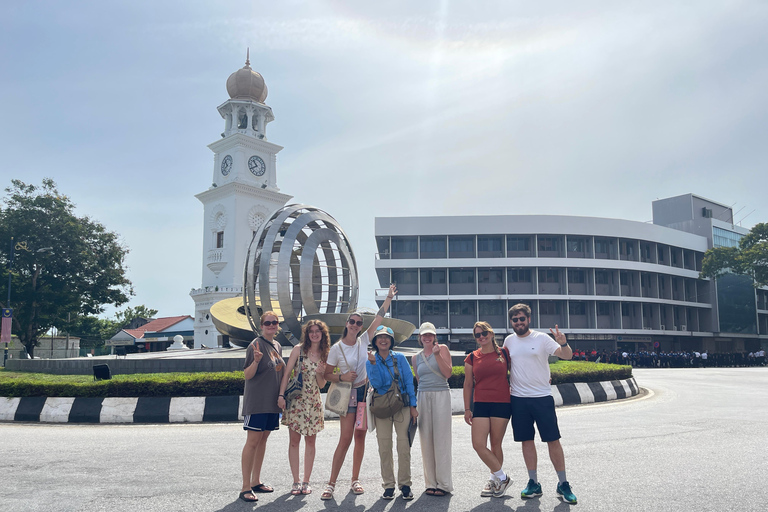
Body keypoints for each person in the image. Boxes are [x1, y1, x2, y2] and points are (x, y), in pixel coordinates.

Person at [321, 284, 397, 501]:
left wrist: (388, 298)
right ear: (347, 324)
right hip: (348, 395)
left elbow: (379, 319)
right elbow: (327, 374)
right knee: (345, 439)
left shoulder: (364, 340)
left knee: (360, 436)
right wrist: (342, 377)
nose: (355, 325)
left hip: (364, 393)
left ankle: (355, 480)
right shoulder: (337, 349)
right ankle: (331, 483)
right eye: (352, 322)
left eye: (358, 323)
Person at [502, 303, 577, 505]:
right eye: (515, 320)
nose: (519, 322)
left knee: (553, 440)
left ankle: (563, 484)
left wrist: (563, 343)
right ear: (511, 322)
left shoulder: (542, 338)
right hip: (518, 399)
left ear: (528, 319)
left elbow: (567, 355)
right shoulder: (508, 341)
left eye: (522, 319)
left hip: (542, 397)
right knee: (526, 441)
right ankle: (533, 482)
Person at [277, 319, 330, 495]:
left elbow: (322, 385)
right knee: (294, 441)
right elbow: (286, 375)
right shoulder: (298, 350)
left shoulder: (325, 354)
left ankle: (306, 481)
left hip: (313, 402)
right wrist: (281, 395)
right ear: (307, 334)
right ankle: (295, 481)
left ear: (322, 334)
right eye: (311, 331)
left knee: (310, 441)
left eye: (317, 331)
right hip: (297, 401)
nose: (314, 334)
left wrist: (321, 373)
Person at [367, 325, 418, 500]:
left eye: (386, 338)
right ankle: (388, 485)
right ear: (375, 341)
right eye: (380, 337)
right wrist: (373, 364)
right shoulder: (371, 360)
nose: (383, 340)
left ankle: (405, 484)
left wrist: (413, 404)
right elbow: (378, 384)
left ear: (391, 341)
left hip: (401, 406)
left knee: (404, 446)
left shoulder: (400, 358)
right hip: (381, 408)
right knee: (384, 447)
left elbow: (409, 382)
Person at [463, 321, 513, 498]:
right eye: (477, 335)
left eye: (484, 333)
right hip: (481, 403)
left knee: (495, 444)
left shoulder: (505, 353)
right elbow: (468, 384)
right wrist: (467, 408)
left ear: (491, 334)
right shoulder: (472, 357)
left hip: (502, 402)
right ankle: (503, 477)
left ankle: (495, 481)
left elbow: (520, 370)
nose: (481, 337)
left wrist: (544, 377)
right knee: (478, 444)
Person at [239, 311, 285, 503]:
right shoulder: (254, 345)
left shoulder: (277, 345)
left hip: (271, 402)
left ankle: (256, 480)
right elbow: (247, 375)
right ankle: (245, 487)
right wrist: (256, 361)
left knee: (263, 439)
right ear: (261, 325)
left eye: (274, 322)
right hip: (257, 402)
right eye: (268, 323)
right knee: (252, 441)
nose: (271, 325)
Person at [412, 322, 453, 497]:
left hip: (441, 394)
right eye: (424, 335)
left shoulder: (442, 349)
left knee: (441, 439)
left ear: (435, 336)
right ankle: (430, 482)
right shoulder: (415, 357)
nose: (427, 337)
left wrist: (437, 356)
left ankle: (443, 484)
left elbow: (448, 373)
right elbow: (419, 380)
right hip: (423, 396)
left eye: (430, 334)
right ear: (420, 337)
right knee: (425, 438)